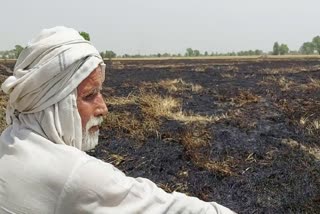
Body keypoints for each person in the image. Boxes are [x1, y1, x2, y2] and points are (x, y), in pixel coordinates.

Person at [0, 26, 235, 214]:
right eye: (89, 95)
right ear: (54, 103)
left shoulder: (10, 140)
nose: (103, 108)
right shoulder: (76, 175)